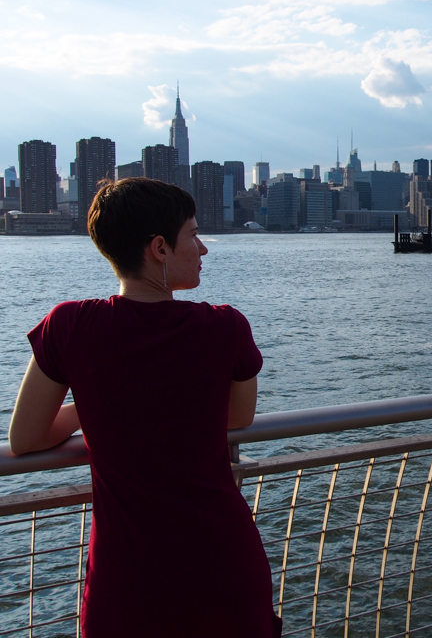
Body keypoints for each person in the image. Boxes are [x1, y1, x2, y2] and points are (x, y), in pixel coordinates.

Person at [7, 178, 282, 638]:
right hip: (222, 564)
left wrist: (96, 400)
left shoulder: (70, 326)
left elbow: (26, 438)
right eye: (193, 235)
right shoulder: (225, 327)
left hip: (128, 577)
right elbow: (237, 419)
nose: (203, 248)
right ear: (159, 247)